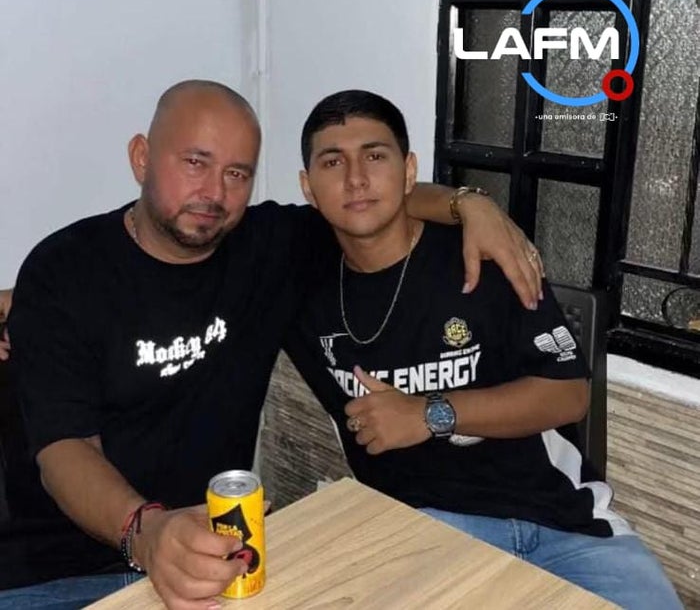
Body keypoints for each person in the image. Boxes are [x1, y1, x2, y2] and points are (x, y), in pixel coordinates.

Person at [0, 80, 541, 610]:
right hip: (59, 576)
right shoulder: (64, 270)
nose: (215, 193)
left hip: (217, 561)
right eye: (195, 162)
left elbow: (367, 201)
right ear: (141, 158)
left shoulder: (266, 247)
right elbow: (64, 450)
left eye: (237, 173)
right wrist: (147, 533)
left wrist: (470, 205)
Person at [282, 89, 683, 610]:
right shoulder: (294, 278)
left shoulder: (486, 256)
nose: (356, 178)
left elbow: (568, 396)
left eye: (375, 156)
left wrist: (428, 414)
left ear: (408, 171)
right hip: (425, 527)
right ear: (308, 186)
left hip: (562, 521)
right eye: (333, 162)